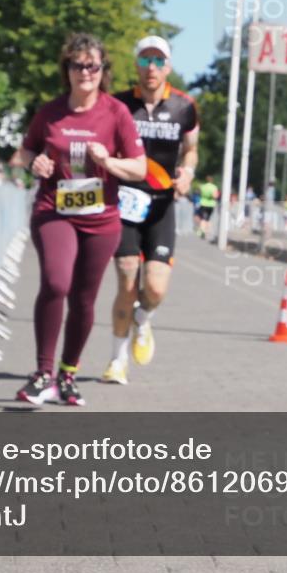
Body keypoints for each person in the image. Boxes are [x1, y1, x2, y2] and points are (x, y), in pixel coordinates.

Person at [9, 32, 146, 405]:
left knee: (84, 299)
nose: (85, 72)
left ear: (103, 70)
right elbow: (24, 153)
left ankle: (67, 374)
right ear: (67, 69)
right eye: (77, 65)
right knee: (56, 282)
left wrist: (108, 162)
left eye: (93, 66)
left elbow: (139, 168)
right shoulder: (51, 112)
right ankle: (43, 374)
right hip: (54, 210)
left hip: (101, 220)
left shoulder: (116, 113)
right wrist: (35, 162)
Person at [102, 35, 199, 386]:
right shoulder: (119, 104)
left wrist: (187, 172)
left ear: (168, 67)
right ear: (137, 65)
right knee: (127, 279)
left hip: (161, 205)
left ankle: (143, 318)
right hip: (125, 201)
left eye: (158, 61)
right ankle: (117, 360)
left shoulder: (184, 106)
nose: (152, 67)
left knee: (155, 288)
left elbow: (191, 149)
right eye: (145, 60)